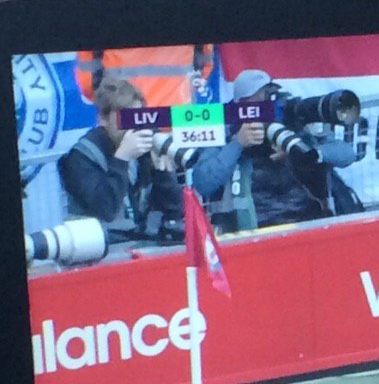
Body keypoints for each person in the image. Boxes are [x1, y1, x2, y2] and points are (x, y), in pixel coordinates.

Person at [189, 69, 361, 231]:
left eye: (268, 95)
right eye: (259, 97)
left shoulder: (290, 121)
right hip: (254, 227)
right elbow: (203, 182)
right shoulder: (225, 130)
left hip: (307, 219)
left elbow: (347, 154)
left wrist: (305, 154)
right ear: (241, 103)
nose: (266, 102)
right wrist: (238, 144)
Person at [58, 78, 182, 242]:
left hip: (138, 239)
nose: (134, 126)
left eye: (138, 117)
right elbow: (106, 210)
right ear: (103, 119)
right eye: (126, 119)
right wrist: (122, 158)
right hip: (96, 244)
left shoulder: (145, 145)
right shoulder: (81, 157)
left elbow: (175, 210)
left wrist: (163, 171)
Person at [75, 45, 215, 107]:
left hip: (121, 115)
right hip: (177, 114)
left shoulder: (102, 6)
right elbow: (203, 63)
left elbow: (88, 77)